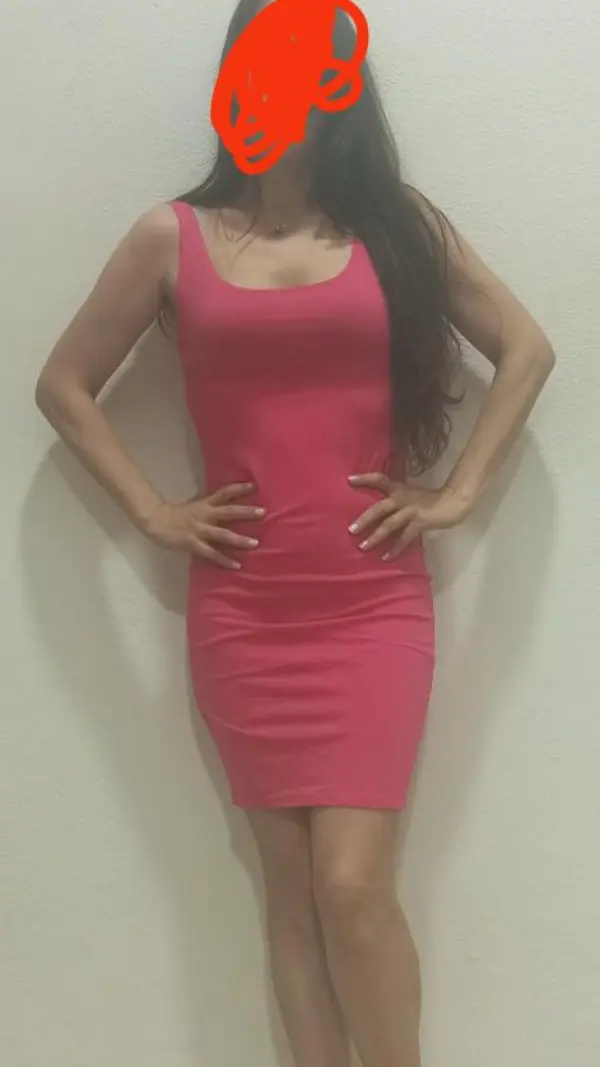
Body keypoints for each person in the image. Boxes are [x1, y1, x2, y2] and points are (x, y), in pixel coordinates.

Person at [35, 2, 555, 1065]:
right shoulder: (171, 237)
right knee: (288, 887)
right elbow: (63, 384)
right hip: (244, 608)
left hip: (372, 599)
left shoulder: (398, 228)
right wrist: (155, 510)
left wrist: (456, 492)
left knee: (352, 885)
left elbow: (527, 348)